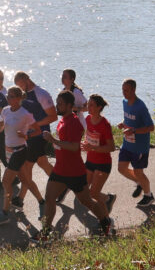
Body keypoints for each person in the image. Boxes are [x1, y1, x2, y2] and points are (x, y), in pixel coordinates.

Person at [41, 90, 112, 239]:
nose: (57, 106)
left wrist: (53, 140)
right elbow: (63, 143)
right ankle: (45, 232)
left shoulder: (73, 123)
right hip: (60, 169)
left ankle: (105, 222)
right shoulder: (62, 120)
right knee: (49, 198)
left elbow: (74, 147)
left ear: (69, 105)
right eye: (57, 103)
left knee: (87, 201)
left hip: (74, 172)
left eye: (60, 104)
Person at [0, 85, 43, 225]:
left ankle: (5, 213)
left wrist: (27, 135)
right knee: (26, 180)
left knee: (6, 181)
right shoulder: (5, 110)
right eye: (7, 96)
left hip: (19, 151)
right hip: (8, 151)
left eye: (11, 96)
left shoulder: (25, 114)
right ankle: (42, 202)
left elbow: (38, 130)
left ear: (19, 98)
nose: (8, 98)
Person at [13, 71, 57, 216]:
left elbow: (53, 116)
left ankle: (20, 199)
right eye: (18, 86)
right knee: (43, 163)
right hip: (28, 136)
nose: (21, 88)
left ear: (27, 79)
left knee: (26, 166)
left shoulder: (41, 94)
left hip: (40, 135)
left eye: (21, 85)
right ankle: (62, 185)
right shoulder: (24, 95)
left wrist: (35, 125)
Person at [117, 78, 155, 208]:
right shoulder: (124, 102)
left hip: (139, 147)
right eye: (123, 90)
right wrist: (123, 123)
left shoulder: (141, 107)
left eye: (126, 90)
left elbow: (151, 127)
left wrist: (133, 130)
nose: (124, 93)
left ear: (133, 90)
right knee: (121, 169)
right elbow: (128, 117)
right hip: (127, 144)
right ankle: (139, 183)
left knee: (139, 172)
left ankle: (149, 196)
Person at [81, 94, 116, 211]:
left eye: (91, 105)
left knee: (94, 193)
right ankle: (104, 208)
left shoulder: (104, 124)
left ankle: (108, 199)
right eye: (88, 104)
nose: (88, 107)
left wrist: (92, 148)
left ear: (99, 107)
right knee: (84, 190)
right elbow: (90, 137)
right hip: (90, 161)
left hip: (102, 163)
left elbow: (111, 147)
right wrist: (85, 144)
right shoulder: (87, 119)